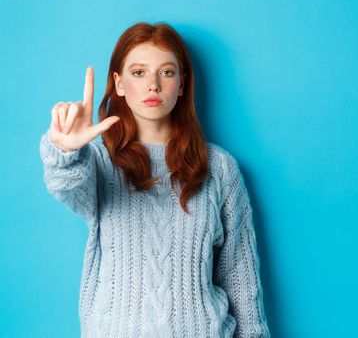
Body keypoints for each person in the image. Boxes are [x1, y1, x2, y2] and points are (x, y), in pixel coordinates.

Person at [38, 21, 271, 338]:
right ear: (119, 83)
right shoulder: (98, 161)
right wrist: (64, 150)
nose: (153, 85)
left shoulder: (220, 168)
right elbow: (66, 185)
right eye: (138, 72)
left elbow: (239, 274)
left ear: (183, 83)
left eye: (167, 72)